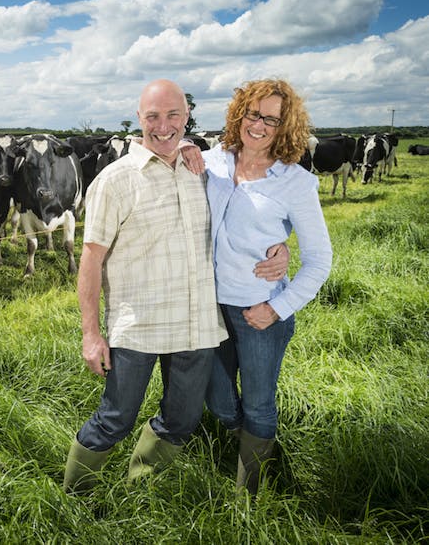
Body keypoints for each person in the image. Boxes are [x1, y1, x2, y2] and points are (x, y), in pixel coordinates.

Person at [63, 79, 288, 493]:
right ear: (139, 119)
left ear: (187, 118)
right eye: (153, 117)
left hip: (196, 327)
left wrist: (281, 248)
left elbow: (250, 213)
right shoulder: (115, 180)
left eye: (173, 116)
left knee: (182, 420)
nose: (163, 126)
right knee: (116, 418)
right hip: (138, 326)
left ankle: (140, 490)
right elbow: (91, 259)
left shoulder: (204, 171)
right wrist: (91, 334)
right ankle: (77, 499)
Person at [203, 78, 333, 495]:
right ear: (239, 113)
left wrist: (276, 309)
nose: (258, 125)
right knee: (219, 402)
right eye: (253, 113)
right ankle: (251, 446)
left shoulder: (295, 182)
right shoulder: (211, 162)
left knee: (259, 403)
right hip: (209, 308)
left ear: (286, 127)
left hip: (259, 313)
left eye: (271, 120)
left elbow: (319, 260)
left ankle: (249, 494)